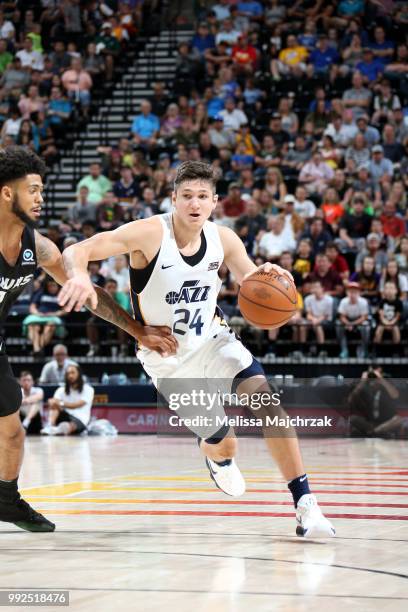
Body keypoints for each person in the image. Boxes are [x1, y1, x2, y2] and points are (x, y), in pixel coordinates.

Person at [59, 160, 335, 538]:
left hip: (212, 340)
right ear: (173, 198)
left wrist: (270, 274)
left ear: (214, 201)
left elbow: (252, 281)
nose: (194, 203)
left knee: (268, 402)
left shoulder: (224, 239)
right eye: (186, 196)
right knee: (225, 443)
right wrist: (78, 275)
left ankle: (306, 504)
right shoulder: (148, 234)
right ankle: (217, 456)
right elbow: (78, 249)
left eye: (203, 196)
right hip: (167, 359)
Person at [0, 146, 177, 532]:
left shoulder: (38, 248)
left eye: (42, 190)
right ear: (6, 193)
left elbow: (92, 295)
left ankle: (6, 501)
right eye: (33, 190)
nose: (41, 198)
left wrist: (138, 330)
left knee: (12, 432)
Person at [348, 367, 402, 438]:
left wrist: (381, 379)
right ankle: (377, 432)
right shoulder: (365, 386)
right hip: (371, 423)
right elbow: (351, 400)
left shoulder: (386, 383)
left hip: (386, 422)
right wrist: (362, 381)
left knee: (398, 419)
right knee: (352, 419)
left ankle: (373, 432)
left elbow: (395, 395)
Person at [41, 365, 94, 436]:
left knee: (68, 426)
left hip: (80, 419)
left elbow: (77, 405)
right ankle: (50, 426)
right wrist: (52, 402)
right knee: (53, 404)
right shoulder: (61, 390)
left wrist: (61, 403)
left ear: (79, 374)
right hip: (64, 415)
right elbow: (54, 402)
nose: (70, 376)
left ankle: (59, 429)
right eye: (68, 373)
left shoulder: (88, 389)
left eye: (73, 373)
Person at [336, 281, 370, 359]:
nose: (353, 293)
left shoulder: (363, 302)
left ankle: (363, 350)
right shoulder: (343, 301)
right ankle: (344, 350)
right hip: (347, 321)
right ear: (347, 292)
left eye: (355, 291)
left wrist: (353, 324)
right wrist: (348, 323)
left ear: (359, 293)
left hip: (359, 321)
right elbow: (341, 316)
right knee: (338, 325)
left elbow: (364, 317)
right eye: (350, 291)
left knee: (366, 327)